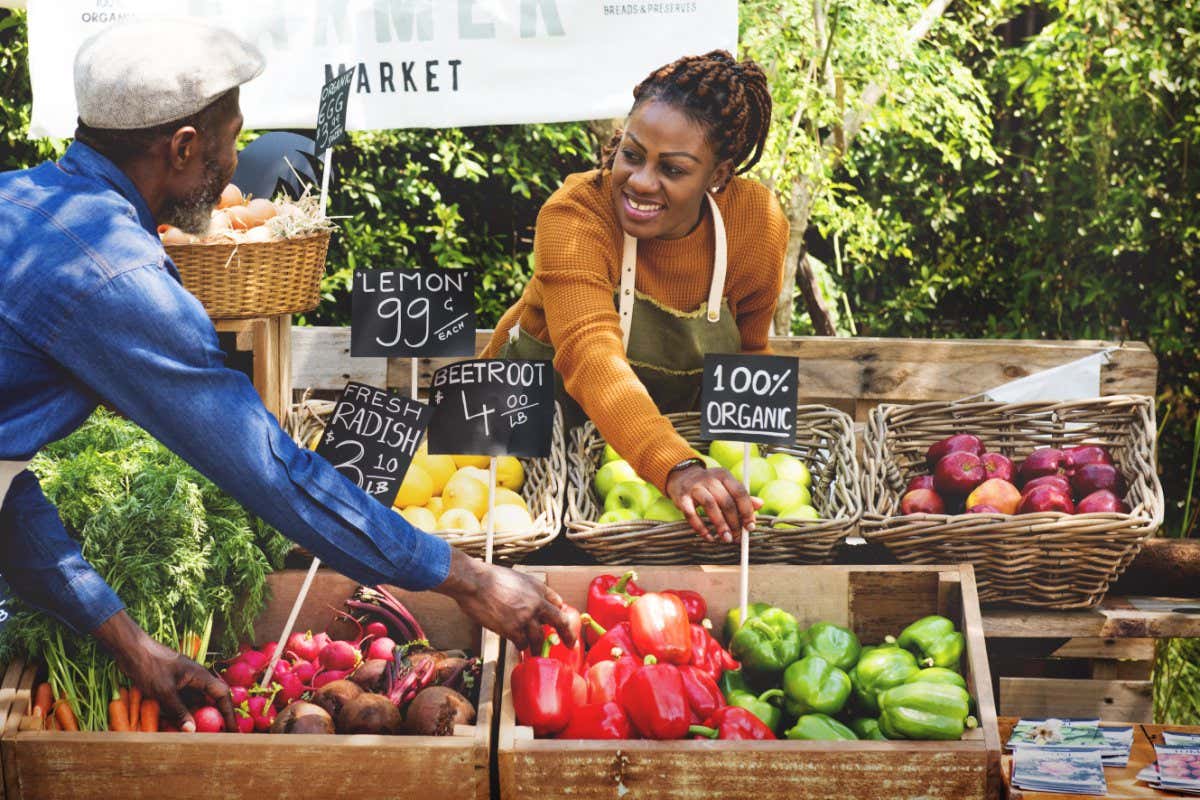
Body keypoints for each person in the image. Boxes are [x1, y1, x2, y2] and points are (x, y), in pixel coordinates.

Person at [0, 19, 571, 733]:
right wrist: (470, 577)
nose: (237, 162)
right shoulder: (117, 278)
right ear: (182, 149)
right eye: (230, 139)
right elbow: (275, 474)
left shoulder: (17, 201)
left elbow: (5, 485)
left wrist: (130, 643)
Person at [483, 51, 788, 545]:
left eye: (673, 169)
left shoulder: (756, 222)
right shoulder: (576, 214)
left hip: (642, 476)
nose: (642, 182)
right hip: (512, 455)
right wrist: (679, 466)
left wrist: (761, 472)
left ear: (718, 173)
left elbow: (748, 355)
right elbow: (589, 353)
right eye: (632, 154)